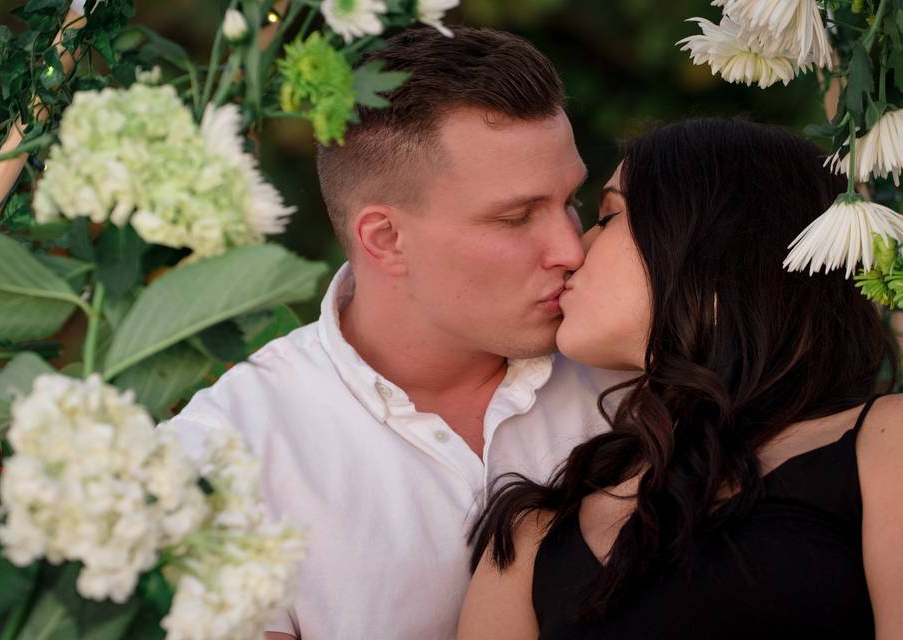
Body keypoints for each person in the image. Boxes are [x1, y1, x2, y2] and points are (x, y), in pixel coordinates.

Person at [163, 27, 627, 640]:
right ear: (385, 239)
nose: (571, 249)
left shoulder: (635, 375)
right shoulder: (224, 460)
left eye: (573, 200)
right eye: (515, 218)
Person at [460, 118, 903, 639]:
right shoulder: (531, 539)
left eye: (608, 217)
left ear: (718, 244)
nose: (575, 249)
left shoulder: (883, 445)